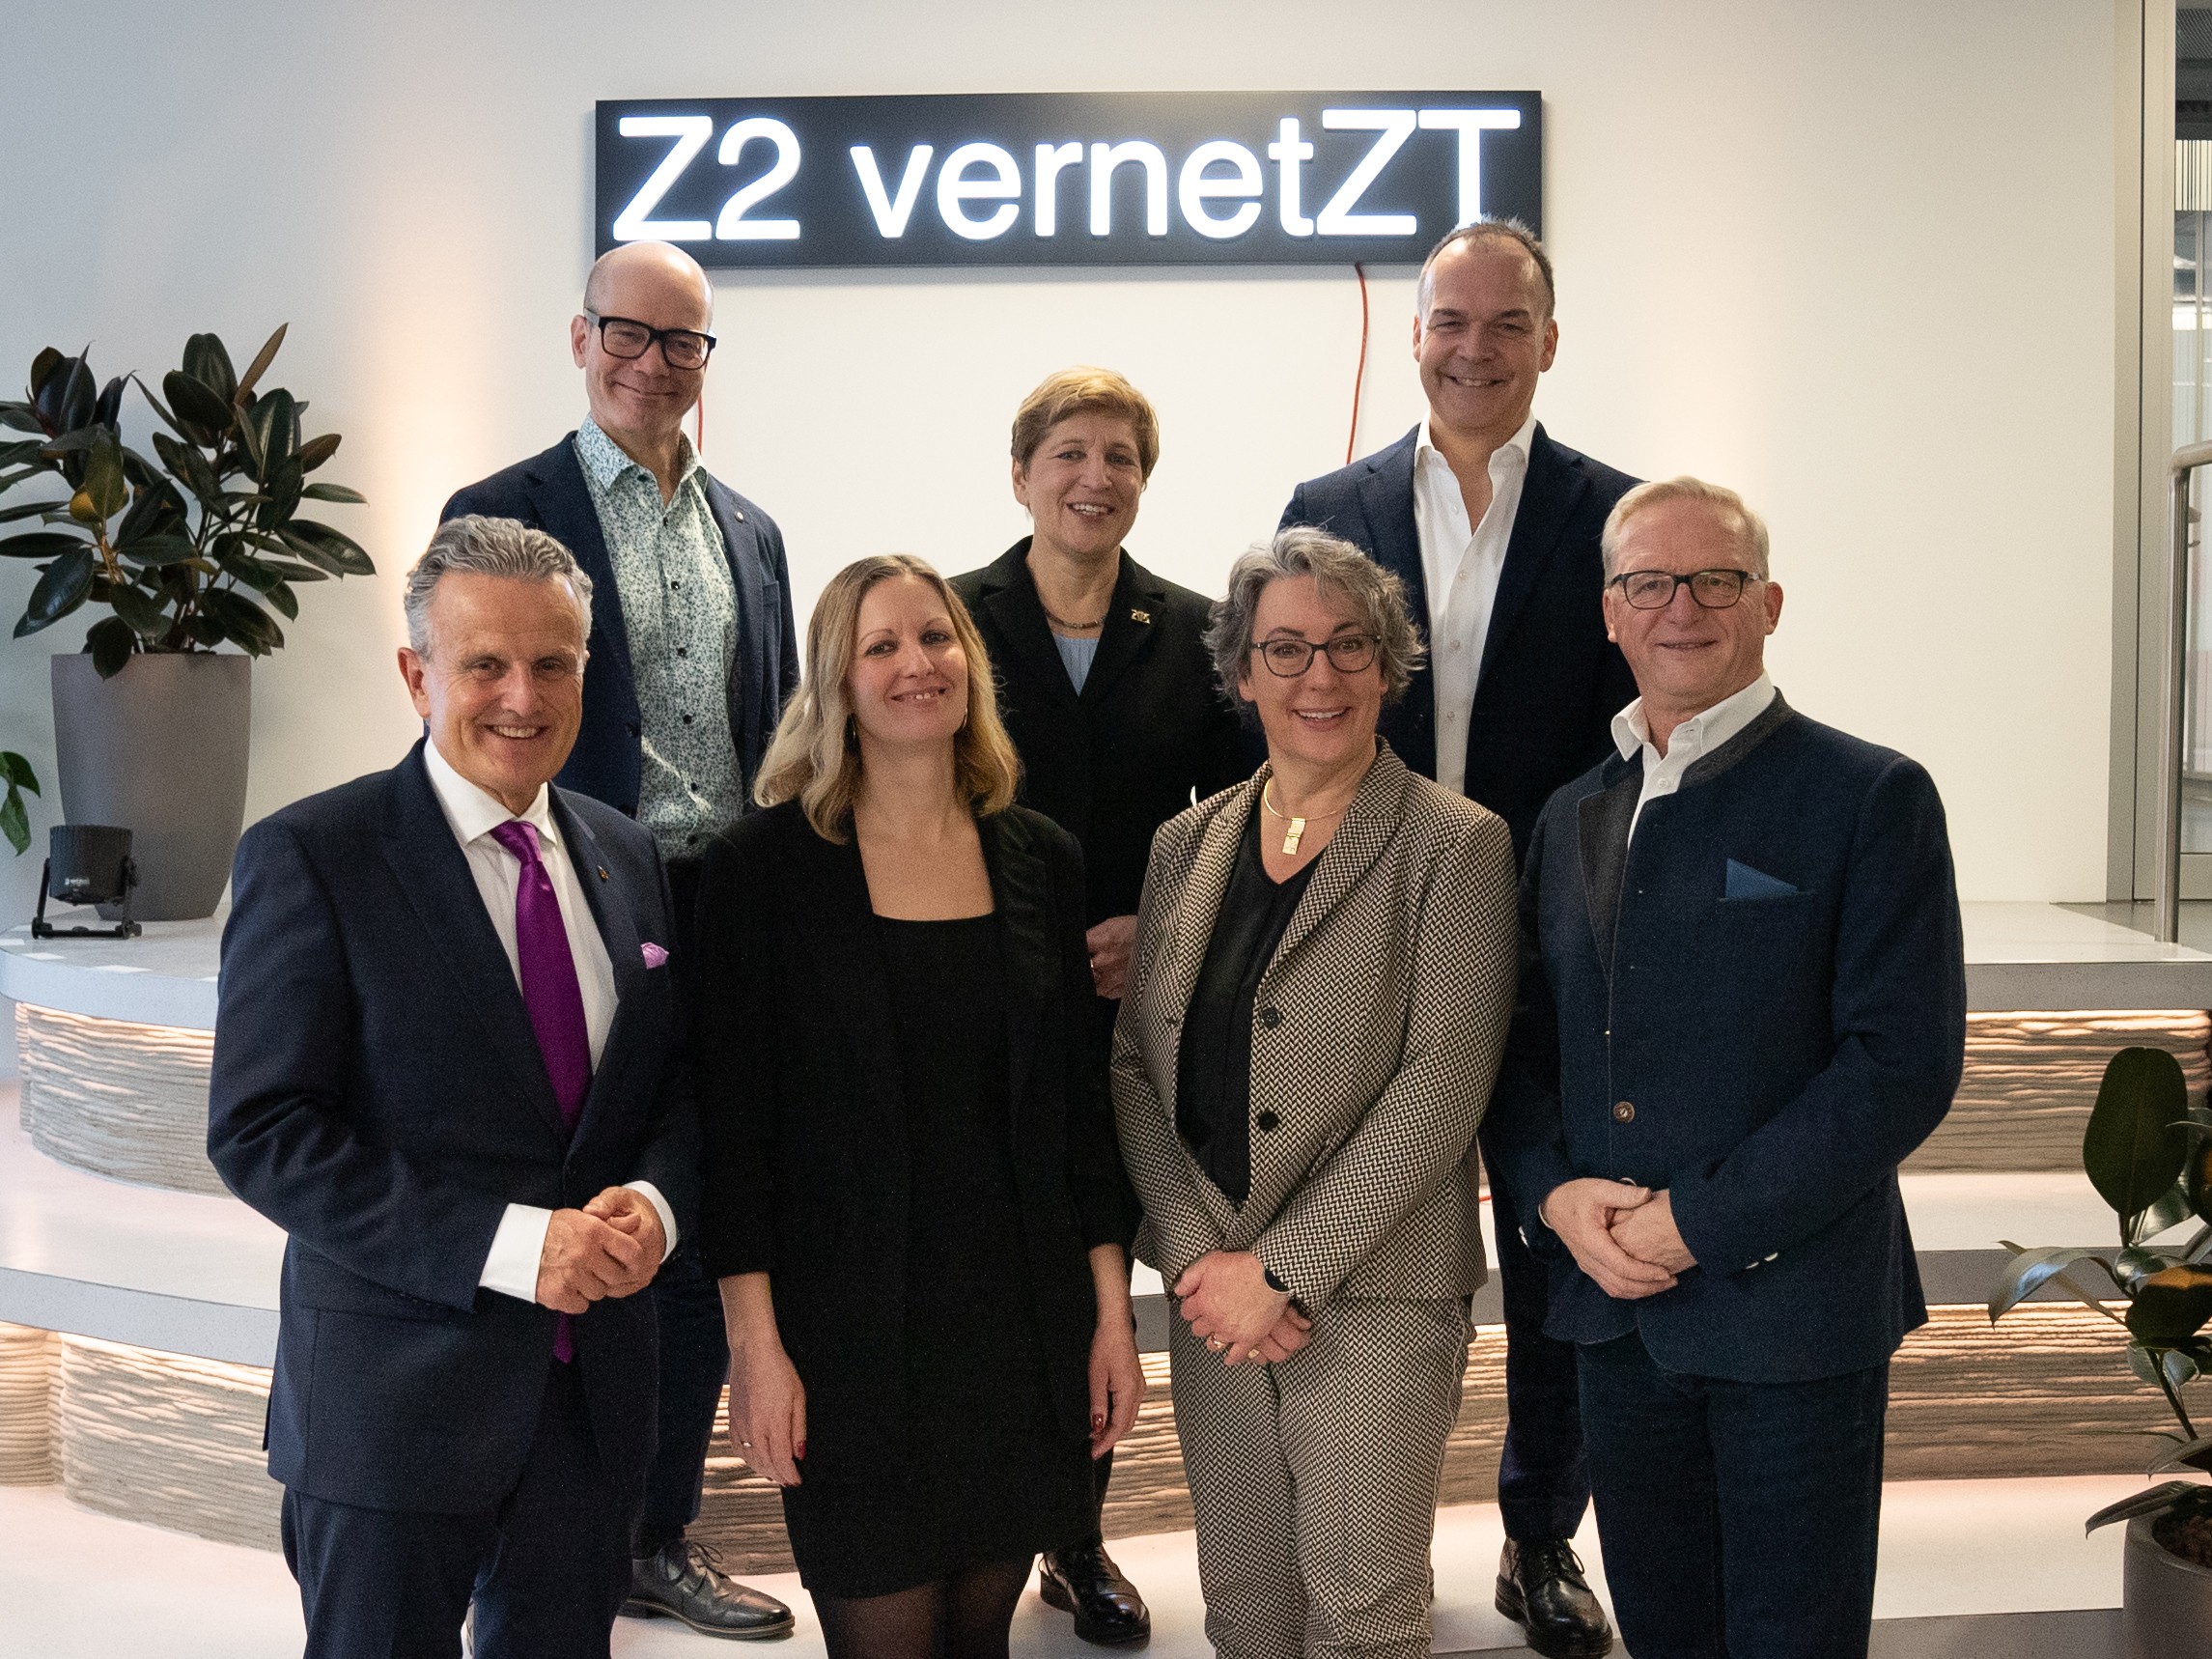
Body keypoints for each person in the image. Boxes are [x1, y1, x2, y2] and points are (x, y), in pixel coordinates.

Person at [1485, 478, 1966, 1659]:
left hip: (1791, 1317)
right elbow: (1521, 1044)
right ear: (1610, 611)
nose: (1680, 607)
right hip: (1613, 1315)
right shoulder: (1569, 811)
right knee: (1663, 1634)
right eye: (1647, 582)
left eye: (1714, 579)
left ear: (1768, 603)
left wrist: (1693, 1222)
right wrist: (1551, 1192)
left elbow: (1898, 1063)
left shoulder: (1868, 794)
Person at [207, 517, 700, 1659]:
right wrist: (514, 1244)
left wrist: (655, 1206)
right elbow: (262, 1129)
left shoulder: (628, 854)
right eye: (485, 663)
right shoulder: (313, 853)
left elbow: (669, 1089)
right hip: (392, 1408)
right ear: (416, 674)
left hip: (591, 1408)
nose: (522, 696)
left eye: (552, 662)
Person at [1278, 218, 1635, 1658]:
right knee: (1356, 1239)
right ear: (1414, 333)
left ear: (1547, 340)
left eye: (1504, 323)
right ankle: (1351, 1532)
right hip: (1366, 936)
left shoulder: (1612, 515)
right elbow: (1288, 701)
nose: (1472, 348)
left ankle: (1539, 1533)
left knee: (1554, 1249)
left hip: (1556, 944)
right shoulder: (1327, 503)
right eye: (1448, 320)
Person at [692, 555, 1145, 1659]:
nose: (916, 664)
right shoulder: (759, 868)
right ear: (836, 681)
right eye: (881, 644)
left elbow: (1080, 1113)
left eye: (935, 637)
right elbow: (734, 1132)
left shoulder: (1040, 856)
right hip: (843, 1332)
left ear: (970, 662)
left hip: (1018, 1326)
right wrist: (754, 1345)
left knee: (979, 1642)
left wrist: (1110, 1315)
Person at [442, 239, 797, 1638]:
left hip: (722, 910)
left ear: (707, 358)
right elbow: (471, 718)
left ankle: (654, 1530)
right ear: (579, 337)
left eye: (681, 341)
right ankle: (520, 1525)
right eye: (628, 333)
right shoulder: (500, 512)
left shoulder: (751, 531)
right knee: (561, 1204)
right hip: (575, 891)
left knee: (693, 1206)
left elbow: (774, 735)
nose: (653, 362)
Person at [1113, 526, 1519, 1659]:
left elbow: (1442, 1081)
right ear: (1241, 674)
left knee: (1361, 1618)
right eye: (1284, 649)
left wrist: (1280, 1269)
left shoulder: (1455, 843)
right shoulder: (1184, 843)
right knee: (1244, 1608)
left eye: (1348, 645)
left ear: (1386, 666)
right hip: (1212, 1292)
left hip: (1374, 1289)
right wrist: (1198, 1255)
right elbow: (1134, 1064)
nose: (1318, 676)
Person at [949, 365, 1245, 1645]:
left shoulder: (1197, 634)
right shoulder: (949, 621)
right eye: (1068, 451)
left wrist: (1161, 935)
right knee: (984, 1271)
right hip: (971, 996)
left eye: (1119, 455)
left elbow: (1240, 823)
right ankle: (972, 1523)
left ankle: (1073, 1535)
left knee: (1096, 1269)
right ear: (1020, 473)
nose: (1094, 476)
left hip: (1137, 1015)